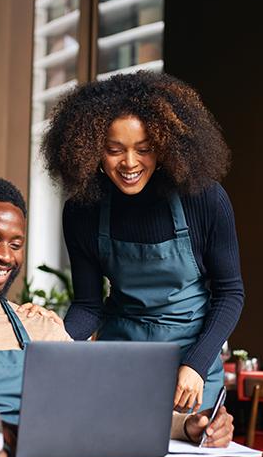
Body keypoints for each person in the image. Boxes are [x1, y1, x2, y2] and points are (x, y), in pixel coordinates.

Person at [0, 177, 233, 450]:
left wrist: (189, 427)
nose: (5, 256)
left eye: (16, 244)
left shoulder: (37, 326)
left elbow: (103, 409)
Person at [35, 71, 245, 414]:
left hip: (191, 368)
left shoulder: (203, 198)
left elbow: (230, 293)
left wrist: (196, 365)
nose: (129, 163)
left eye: (144, 149)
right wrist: (53, 341)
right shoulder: (82, 211)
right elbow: (89, 306)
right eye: (114, 150)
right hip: (120, 362)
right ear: (91, 151)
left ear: (164, 148)